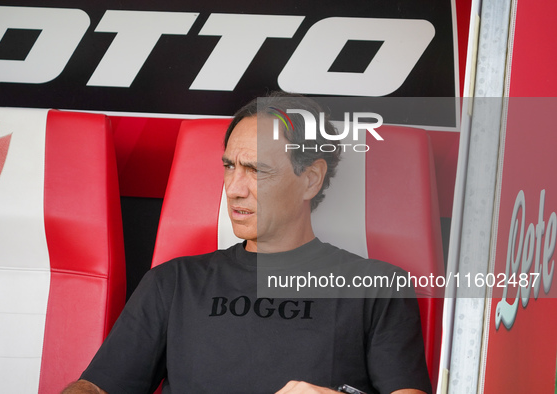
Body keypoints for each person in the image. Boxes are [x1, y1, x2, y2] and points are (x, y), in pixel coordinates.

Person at [63, 92, 432, 394]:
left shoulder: (377, 288)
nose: (234, 189)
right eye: (229, 167)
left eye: (256, 171)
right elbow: (97, 388)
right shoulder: (173, 283)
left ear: (310, 179)